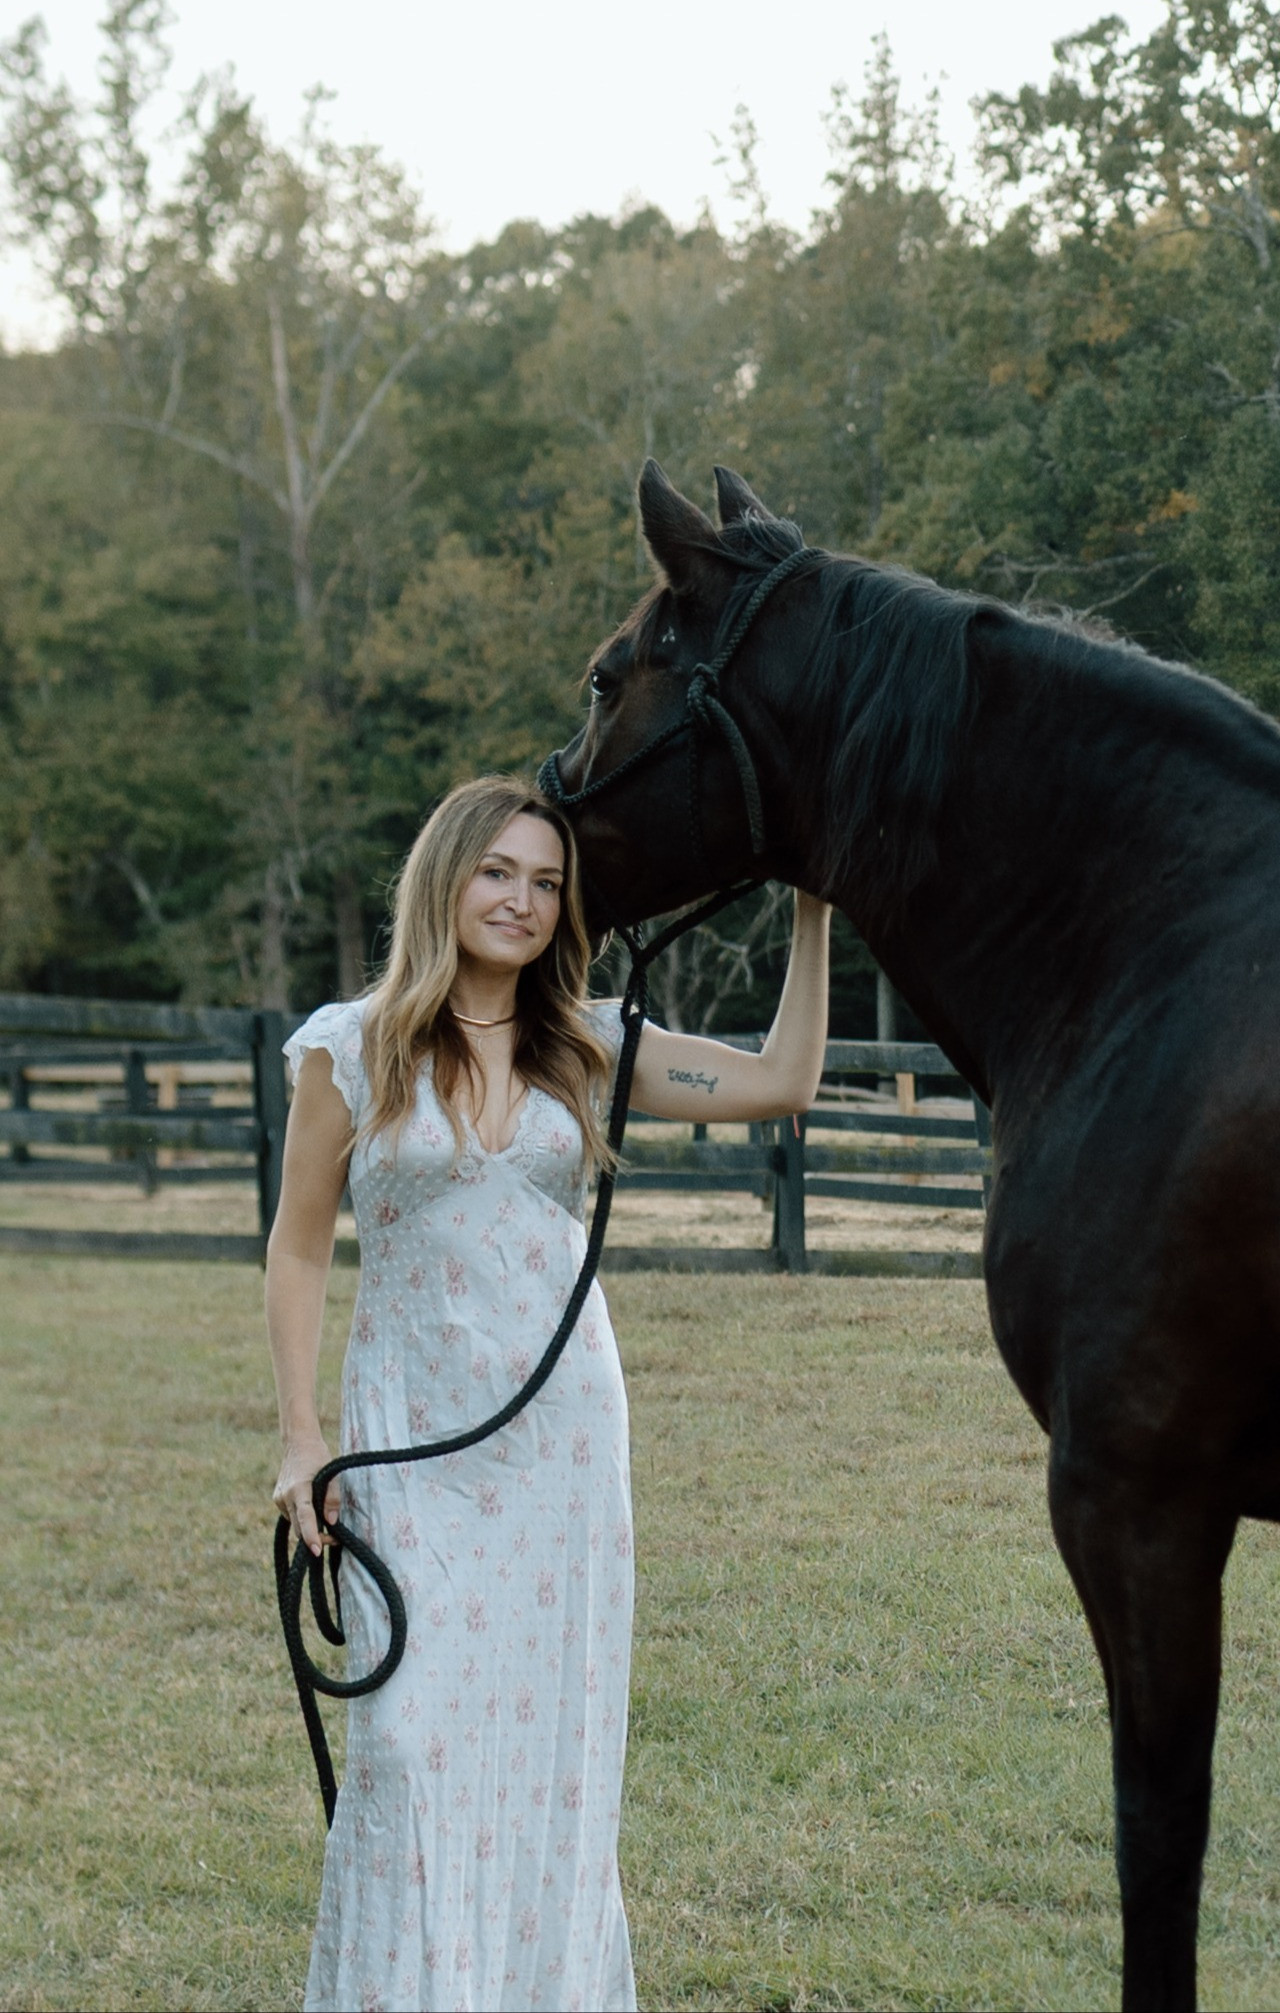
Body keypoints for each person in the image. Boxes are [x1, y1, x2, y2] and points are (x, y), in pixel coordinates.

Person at [267, 774, 831, 2013]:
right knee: (409, 1750)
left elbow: (782, 1080)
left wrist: (810, 905)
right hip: (406, 1440)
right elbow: (300, 1243)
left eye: (545, 883)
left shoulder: (593, 1045)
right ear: (445, 877)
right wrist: (301, 1438)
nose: (519, 901)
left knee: (549, 1763)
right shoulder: (349, 1047)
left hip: (556, 1442)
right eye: (497, 872)